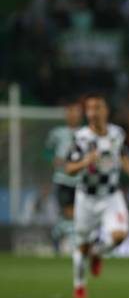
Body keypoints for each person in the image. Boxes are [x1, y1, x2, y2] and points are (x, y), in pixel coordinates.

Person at [65, 94, 129, 298]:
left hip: (111, 195)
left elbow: (123, 154)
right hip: (86, 197)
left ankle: (98, 253)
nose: (94, 112)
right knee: (82, 246)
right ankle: (79, 284)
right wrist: (86, 161)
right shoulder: (81, 137)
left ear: (106, 110)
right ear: (87, 113)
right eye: (90, 108)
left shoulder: (116, 134)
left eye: (98, 107)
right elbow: (69, 168)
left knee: (120, 235)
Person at [45, 98, 83, 252]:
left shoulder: (85, 133)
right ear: (67, 114)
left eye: (77, 112)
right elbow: (47, 152)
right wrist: (53, 159)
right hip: (62, 179)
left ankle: (57, 233)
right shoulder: (57, 133)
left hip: (80, 180)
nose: (74, 115)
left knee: (74, 214)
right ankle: (73, 244)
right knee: (69, 212)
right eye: (71, 112)